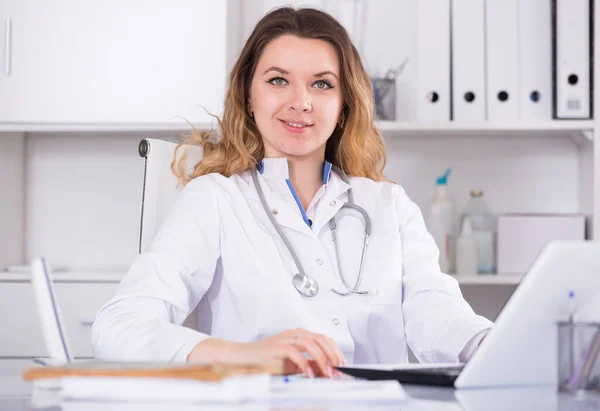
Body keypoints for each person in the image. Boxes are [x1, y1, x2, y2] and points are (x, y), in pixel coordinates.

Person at [92, 6, 492, 379]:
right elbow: (120, 326)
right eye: (278, 80)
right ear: (249, 97)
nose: (301, 103)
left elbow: (436, 311)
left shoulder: (388, 205)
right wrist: (242, 354)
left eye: (321, 84)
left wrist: (492, 345)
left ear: (344, 105)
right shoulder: (214, 199)